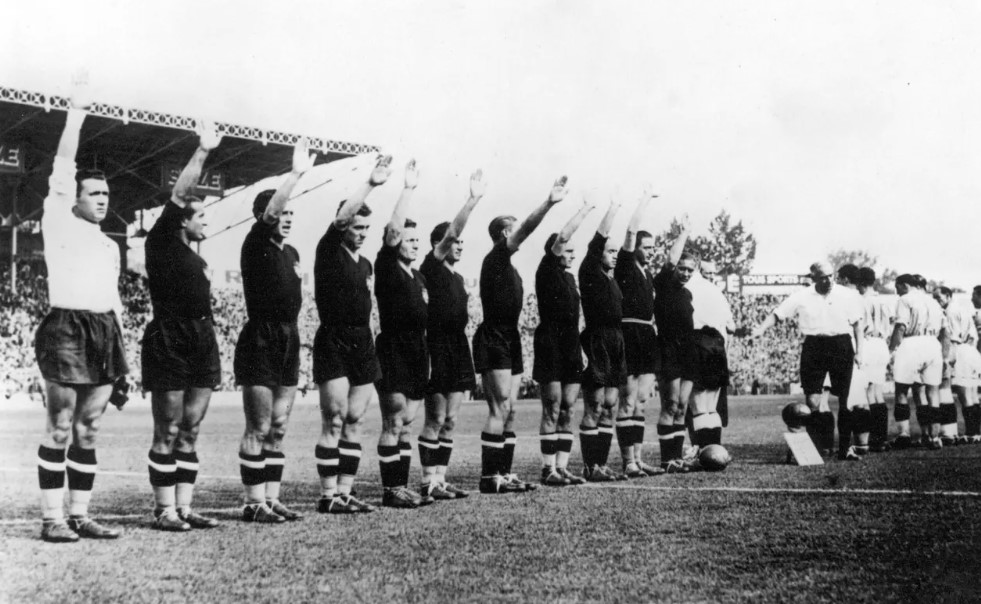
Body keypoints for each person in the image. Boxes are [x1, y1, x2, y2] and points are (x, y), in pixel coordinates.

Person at [33, 78, 128, 542]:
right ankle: (52, 519)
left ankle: (80, 514)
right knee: (60, 423)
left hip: (104, 329)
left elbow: (113, 300)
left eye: (106, 195)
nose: (102, 199)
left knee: (88, 429)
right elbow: (63, 166)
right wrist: (76, 112)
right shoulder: (58, 221)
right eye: (94, 194)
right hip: (66, 327)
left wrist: (122, 345)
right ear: (74, 199)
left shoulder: (110, 245)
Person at [143, 121, 224, 531]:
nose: (206, 222)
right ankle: (163, 510)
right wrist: (203, 150)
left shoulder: (197, 257)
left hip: (201, 337)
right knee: (169, 427)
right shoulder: (159, 240)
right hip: (169, 337)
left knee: (190, 429)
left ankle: (184, 507)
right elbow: (179, 193)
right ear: (181, 220)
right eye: (201, 215)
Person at [235, 139, 315, 524]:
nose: (286, 217)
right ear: (265, 215)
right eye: (281, 212)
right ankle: (253, 503)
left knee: (279, 427)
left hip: (289, 338)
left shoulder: (293, 253)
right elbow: (269, 214)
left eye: (290, 213)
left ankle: (271, 498)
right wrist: (296, 175)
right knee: (260, 425)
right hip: (261, 338)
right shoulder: (255, 244)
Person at [474, 176, 568, 494]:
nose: (519, 234)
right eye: (513, 229)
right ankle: (490, 477)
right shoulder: (496, 258)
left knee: (511, 410)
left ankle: (505, 472)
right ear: (504, 233)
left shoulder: (510, 267)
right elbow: (528, 227)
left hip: (511, 336)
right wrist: (549, 202)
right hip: (495, 336)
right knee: (499, 407)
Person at [312, 155, 393, 513]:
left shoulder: (366, 263)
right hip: (334, 339)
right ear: (344, 226)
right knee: (334, 417)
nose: (361, 234)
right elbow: (343, 216)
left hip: (363, 341)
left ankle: (345, 491)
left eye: (366, 230)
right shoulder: (328, 250)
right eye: (357, 228)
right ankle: (328, 496)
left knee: (356, 419)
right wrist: (372, 183)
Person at [417, 170, 485, 500]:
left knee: (452, 419)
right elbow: (453, 231)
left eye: (460, 243)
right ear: (439, 245)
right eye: (452, 242)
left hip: (459, 347)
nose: (458, 245)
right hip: (438, 346)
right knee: (436, 416)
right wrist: (472, 200)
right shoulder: (431, 267)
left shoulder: (458, 279)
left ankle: (440, 479)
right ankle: (428, 479)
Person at [752, 262, 864, 458]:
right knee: (812, 400)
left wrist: (860, 351)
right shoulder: (802, 296)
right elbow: (778, 314)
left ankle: (845, 449)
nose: (828, 280)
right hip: (814, 346)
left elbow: (857, 325)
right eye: (822, 277)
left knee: (845, 401)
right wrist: (761, 328)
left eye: (830, 275)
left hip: (841, 345)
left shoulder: (848, 295)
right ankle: (815, 448)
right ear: (813, 278)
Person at [374, 160, 435, 509]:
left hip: (418, 350)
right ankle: (391, 489)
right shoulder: (386, 266)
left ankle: (403, 485)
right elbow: (393, 231)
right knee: (394, 419)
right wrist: (407, 189)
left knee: (409, 423)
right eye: (408, 239)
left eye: (417, 240)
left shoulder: (420, 278)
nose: (413, 244)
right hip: (394, 348)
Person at [534, 199, 595, 486]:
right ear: (555, 251)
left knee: (569, 407)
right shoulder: (546, 269)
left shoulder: (571, 279)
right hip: (550, 343)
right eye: (568, 251)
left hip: (571, 345)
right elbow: (562, 236)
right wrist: (584, 210)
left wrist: (580, 348)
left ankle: (562, 466)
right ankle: (548, 469)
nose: (572, 255)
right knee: (553, 406)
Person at [578, 197, 635, 481]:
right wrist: (613, 208)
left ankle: (600, 464)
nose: (614, 255)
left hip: (616, 341)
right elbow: (598, 239)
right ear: (598, 253)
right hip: (597, 339)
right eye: (609, 251)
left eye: (615, 251)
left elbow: (627, 247)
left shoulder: (612, 278)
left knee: (611, 405)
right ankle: (590, 465)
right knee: (596, 404)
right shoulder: (589, 272)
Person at [613, 191, 660, 477]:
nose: (650, 250)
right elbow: (630, 230)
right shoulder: (626, 264)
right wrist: (643, 201)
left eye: (653, 247)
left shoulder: (647, 272)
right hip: (629, 332)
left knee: (642, 401)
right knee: (628, 400)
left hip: (647, 335)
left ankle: (639, 459)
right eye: (646, 246)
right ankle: (627, 461)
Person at [652, 215, 697, 471]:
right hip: (668, 348)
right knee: (669, 404)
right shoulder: (665, 283)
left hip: (688, 350)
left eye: (690, 270)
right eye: (683, 268)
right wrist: (684, 233)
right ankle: (667, 459)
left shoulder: (687, 293)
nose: (686, 273)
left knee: (682, 406)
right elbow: (670, 260)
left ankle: (677, 457)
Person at [889, 274, 944, 449]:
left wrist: (892, 349)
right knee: (932, 392)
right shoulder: (933, 302)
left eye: (897, 287)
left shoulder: (905, 299)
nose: (897, 292)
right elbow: (945, 331)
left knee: (901, 391)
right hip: (933, 344)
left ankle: (904, 434)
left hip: (912, 343)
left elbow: (901, 326)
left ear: (904, 285)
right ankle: (933, 436)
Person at [684, 259, 735, 450]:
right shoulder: (716, 291)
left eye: (713, 273)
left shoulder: (686, 286)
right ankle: (714, 450)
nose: (711, 276)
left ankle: (702, 452)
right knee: (711, 407)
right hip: (717, 345)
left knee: (698, 406)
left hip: (698, 341)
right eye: (709, 272)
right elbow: (731, 326)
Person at [933, 287, 981, 444]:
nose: (936, 301)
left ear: (948, 296)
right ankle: (975, 432)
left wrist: (948, 358)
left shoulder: (950, 312)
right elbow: (974, 337)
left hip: (958, 351)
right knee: (973, 394)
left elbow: (951, 338)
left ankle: (968, 433)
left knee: (963, 394)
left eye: (938, 297)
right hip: (971, 352)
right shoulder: (964, 310)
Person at [855, 267, 893, 451]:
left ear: (861, 283)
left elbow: (859, 328)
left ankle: (870, 439)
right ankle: (881, 438)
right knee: (878, 393)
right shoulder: (883, 301)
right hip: (881, 344)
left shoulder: (861, 301)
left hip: (868, 343)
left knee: (867, 393)